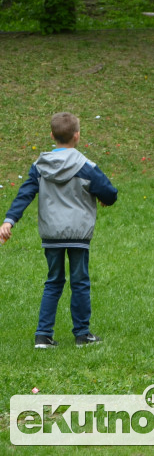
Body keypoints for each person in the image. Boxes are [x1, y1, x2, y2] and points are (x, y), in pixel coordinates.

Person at [1, 112, 118, 349]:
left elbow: (25, 194)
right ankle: (82, 334)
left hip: (51, 233)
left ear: (52, 136)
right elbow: (110, 193)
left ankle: (43, 336)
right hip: (78, 234)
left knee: (53, 281)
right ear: (77, 136)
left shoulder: (39, 167)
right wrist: (102, 197)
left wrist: (9, 220)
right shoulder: (86, 167)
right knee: (80, 282)